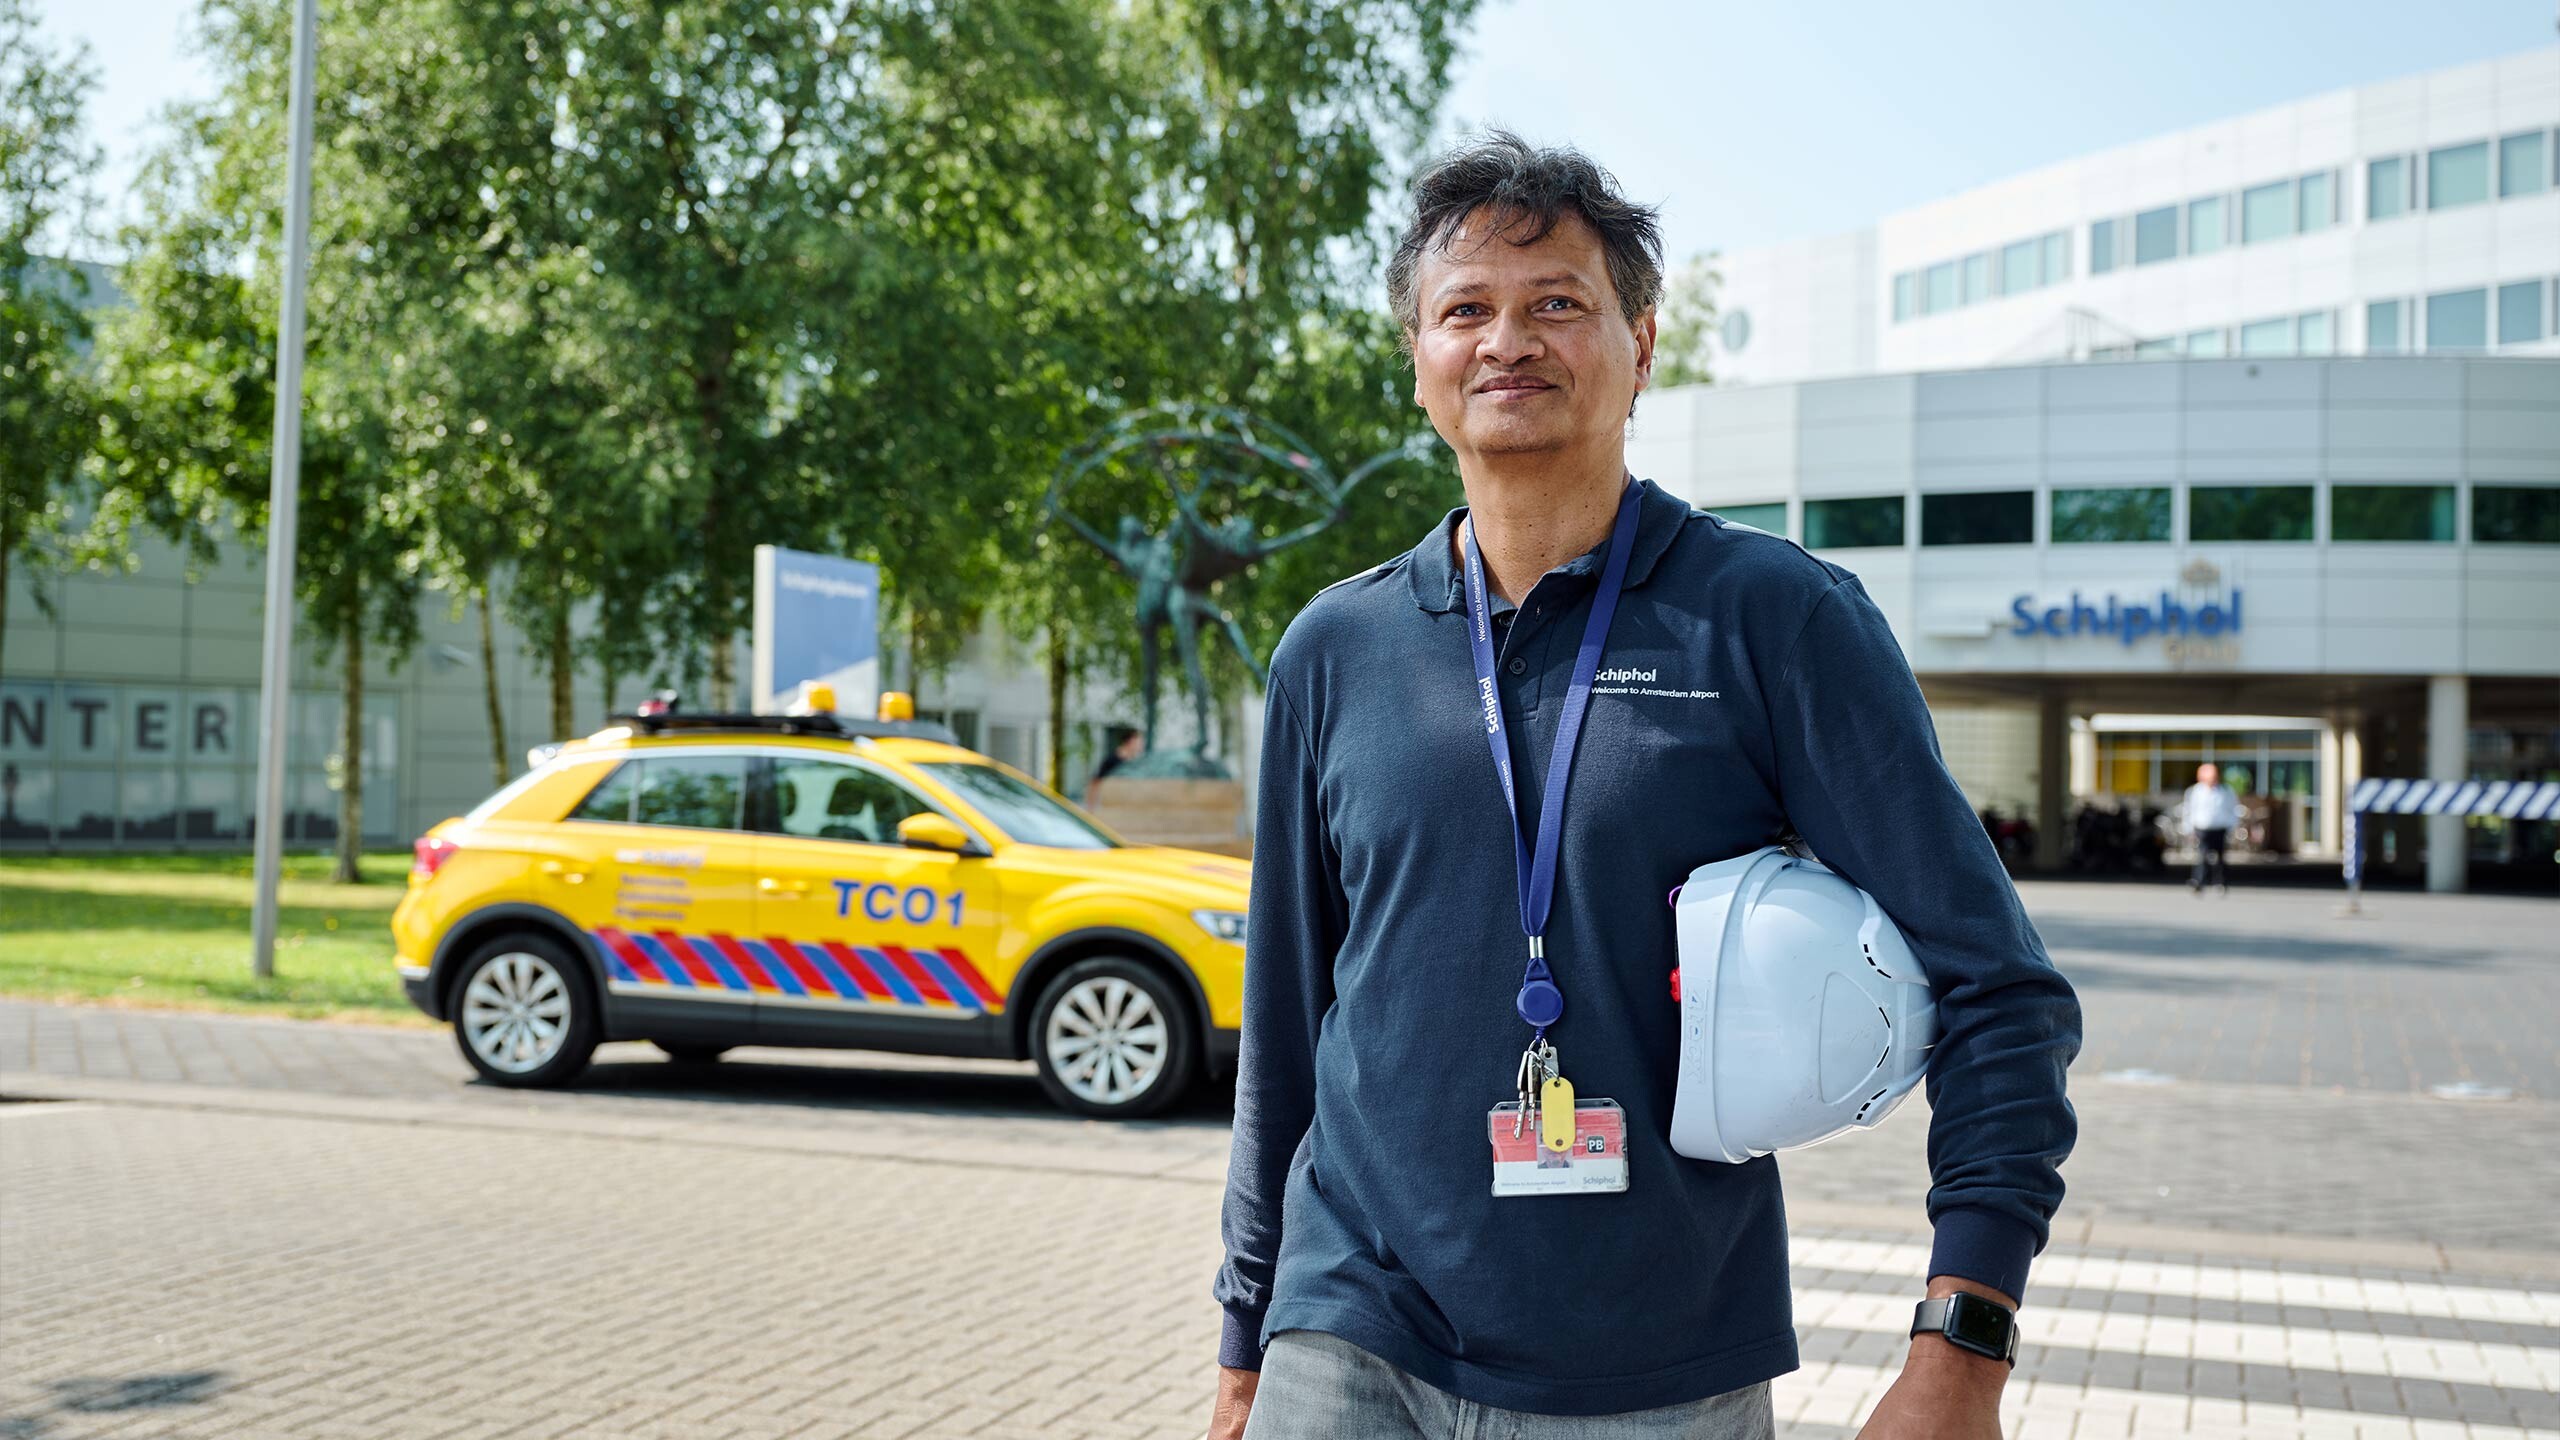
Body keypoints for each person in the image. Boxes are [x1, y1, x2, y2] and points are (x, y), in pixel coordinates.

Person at [1208, 135, 2082, 1440]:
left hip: (1655, 1367)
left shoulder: (1773, 622)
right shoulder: (1335, 650)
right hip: (1349, 1337)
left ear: (1643, 342)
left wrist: (1964, 1343)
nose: (1510, 340)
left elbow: (2000, 991)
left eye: (1558, 302)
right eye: (1467, 311)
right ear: (1419, 361)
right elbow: (1284, 1027)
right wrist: (1246, 1338)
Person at [2180, 762, 2240, 895]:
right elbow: (2189, 810)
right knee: (2202, 856)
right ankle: (2199, 881)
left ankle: (2220, 882)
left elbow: (2233, 809)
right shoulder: (2196, 791)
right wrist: (2188, 828)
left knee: (2220, 857)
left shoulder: (2226, 790)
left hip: (2220, 828)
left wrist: (2232, 826)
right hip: (2203, 828)